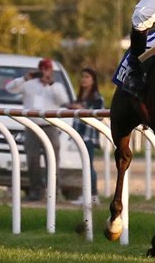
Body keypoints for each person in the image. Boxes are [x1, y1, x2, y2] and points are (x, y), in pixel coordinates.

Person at [4, 57, 69, 201]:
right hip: (32, 126)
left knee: (52, 159)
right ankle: (35, 191)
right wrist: (24, 78)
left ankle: (54, 191)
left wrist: (50, 84)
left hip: (50, 126)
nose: (45, 72)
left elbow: (63, 100)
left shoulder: (56, 86)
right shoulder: (29, 84)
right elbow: (10, 88)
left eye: (48, 69)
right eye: (43, 69)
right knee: (32, 160)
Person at [67, 67, 104, 206]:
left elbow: (99, 115)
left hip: (89, 136)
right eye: (82, 77)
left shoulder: (97, 98)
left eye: (87, 77)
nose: (84, 79)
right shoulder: (80, 96)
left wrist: (80, 108)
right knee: (85, 165)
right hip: (79, 134)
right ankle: (87, 194)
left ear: (93, 81)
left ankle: (93, 195)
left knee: (88, 165)